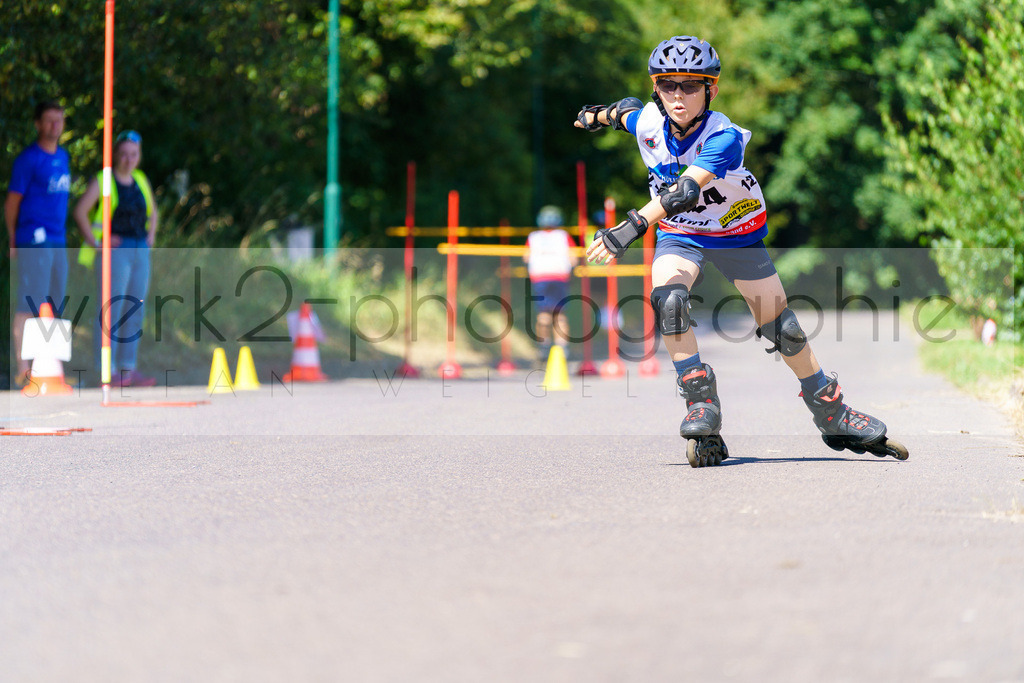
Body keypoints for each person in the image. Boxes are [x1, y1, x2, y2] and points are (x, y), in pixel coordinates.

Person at [575, 35, 907, 466]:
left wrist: (632, 226)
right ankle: (701, 405)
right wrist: (595, 116)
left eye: (691, 86)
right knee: (670, 301)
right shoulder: (649, 122)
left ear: (710, 89)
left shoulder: (725, 136)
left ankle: (832, 413)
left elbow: (683, 192)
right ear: (655, 87)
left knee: (784, 330)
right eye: (668, 85)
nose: (679, 95)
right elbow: (623, 112)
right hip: (680, 234)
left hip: (735, 231)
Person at [72, 130, 158, 387]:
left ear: (139, 156)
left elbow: (153, 211)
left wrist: (150, 236)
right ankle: (105, 369)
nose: (128, 160)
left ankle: (127, 370)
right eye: (123, 154)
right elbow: (81, 212)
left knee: (135, 308)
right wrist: (98, 243)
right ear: (115, 154)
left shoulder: (141, 179)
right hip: (115, 251)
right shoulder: (104, 180)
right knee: (112, 308)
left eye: (133, 154)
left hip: (139, 249)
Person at [5, 101, 72, 387]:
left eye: (58, 120)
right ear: (38, 124)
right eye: (48, 120)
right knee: (30, 299)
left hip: (58, 239)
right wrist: (13, 237)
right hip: (34, 238)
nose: (54, 126)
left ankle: (50, 365)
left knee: (55, 300)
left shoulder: (64, 156)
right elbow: (12, 202)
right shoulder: (28, 159)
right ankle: (23, 367)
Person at [524, 205, 577, 363]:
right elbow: (573, 258)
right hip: (559, 277)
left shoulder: (533, 237)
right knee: (559, 315)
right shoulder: (563, 236)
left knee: (543, 314)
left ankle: (544, 346)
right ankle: (562, 348)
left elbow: (526, 258)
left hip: (540, 277)